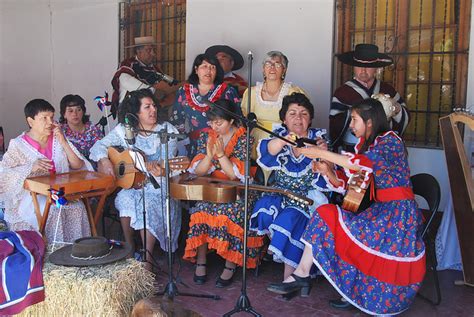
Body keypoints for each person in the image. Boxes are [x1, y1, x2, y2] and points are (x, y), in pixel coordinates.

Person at [267, 98, 425, 316]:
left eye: (354, 119)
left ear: (369, 122)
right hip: (379, 212)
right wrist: (328, 172)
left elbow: (357, 164)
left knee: (339, 224)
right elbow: (354, 190)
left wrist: (320, 153)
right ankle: (302, 274)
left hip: (396, 218)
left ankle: (337, 287)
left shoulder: (390, 141)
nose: (350, 125)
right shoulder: (368, 147)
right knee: (326, 213)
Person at [90, 89, 186, 270]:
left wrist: (154, 168)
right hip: (133, 182)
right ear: (136, 112)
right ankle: (129, 247)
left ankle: (147, 258)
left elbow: (167, 162)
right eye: (147, 107)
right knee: (124, 198)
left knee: (147, 203)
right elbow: (99, 146)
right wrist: (104, 160)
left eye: (154, 106)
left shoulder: (166, 131)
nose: (153, 110)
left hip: (158, 182)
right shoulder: (124, 130)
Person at [250, 93, 339, 281]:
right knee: (265, 208)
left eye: (303, 113)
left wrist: (322, 153)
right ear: (284, 119)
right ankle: (296, 271)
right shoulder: (279, 138)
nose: (298, 118)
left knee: (289, 218)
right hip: (283, 195)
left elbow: (331, 176)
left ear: (310, 119)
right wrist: (285, 139)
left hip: (309, 199)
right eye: (292, 113)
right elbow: (268, 151)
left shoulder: (319, 140)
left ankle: (290, 278)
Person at [183, 99, 264, 288]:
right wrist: (210, 156)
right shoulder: (208, 136)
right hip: (215, 188)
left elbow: (236, 175)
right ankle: (201, 260)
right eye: (211, 122)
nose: (214, 126)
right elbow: (198, 171)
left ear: (232, 120)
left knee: (233, 213)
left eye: (219, 122)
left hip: (239, 189)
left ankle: (230, 264)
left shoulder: (244, 138)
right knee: (199, 211)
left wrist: (220, 155)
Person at [0, 99, 92, 242]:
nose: (50, 122)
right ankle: (53, 254)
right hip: (32, 197)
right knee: (53, 210)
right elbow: (4, 174)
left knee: (78, 207)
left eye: (51, 117)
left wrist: (63, 141)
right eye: (44, 118)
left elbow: (77, 164)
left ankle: (76, 251)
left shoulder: (57, 139)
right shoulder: (18, 145)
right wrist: (30, 167)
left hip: (61, 191)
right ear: (31, 121)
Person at [330, 43, 410, 152]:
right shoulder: (343, 92)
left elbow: (405, 116)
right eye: (359, 66)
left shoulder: (388, 90)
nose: (363, 70)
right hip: (352, 148)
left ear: (376, 68)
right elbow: (335, 125)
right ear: (353, 67)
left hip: (383, 148)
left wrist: (395, 107)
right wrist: (356, 115)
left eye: (368, 66)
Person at [169, 53, 240, 157]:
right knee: (197, 172)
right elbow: (177, 120)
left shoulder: (227, 91)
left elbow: (237, 120)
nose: (208, 71)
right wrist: (182, 146)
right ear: (196, 70)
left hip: (222, 144)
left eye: (213, 67)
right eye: (204, 66)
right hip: (194, 145)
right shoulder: (184, 91)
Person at [241, 50, 307, 160]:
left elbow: (303, 120)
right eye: (268, 64)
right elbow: (244, 119)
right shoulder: (251, 92)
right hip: (256, 142)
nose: (272, 67)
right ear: (263, 69)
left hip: (284, 141)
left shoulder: (293, 92)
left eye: (277, 64)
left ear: (284, 70)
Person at [111, 36, 179, 117]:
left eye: (154, 50)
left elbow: (168, 88)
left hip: (154, 115)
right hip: (131, 115)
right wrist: (155, 91)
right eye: (149, 50)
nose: (153, 54)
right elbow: (145, 91)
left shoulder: (155, 70)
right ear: (138, 51)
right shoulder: (127, 67)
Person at [59, 94, 104, 169]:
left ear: (83, 112)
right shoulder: (60, 132)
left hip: (96, 172)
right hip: (72, 174)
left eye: (78, 110)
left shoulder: (94, 130)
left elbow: (103, 152)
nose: (75, 114)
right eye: (70, 111)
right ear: (64, 114)